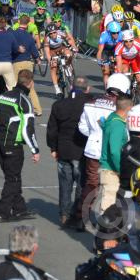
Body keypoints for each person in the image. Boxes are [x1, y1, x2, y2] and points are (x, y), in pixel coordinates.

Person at [77, 73, 131, 222]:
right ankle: (107, 218)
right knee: (110, 188)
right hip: (111, 154)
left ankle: (81, 217)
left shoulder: (91, 102)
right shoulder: (120, 108)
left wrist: (95, 135)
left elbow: (82, 126)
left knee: (91, 185)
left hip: (93, 149)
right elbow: (125, 134)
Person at [0, 70, 40, 223]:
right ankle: (2, 212)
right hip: (12, 144)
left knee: (13, 176)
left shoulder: (1, 96)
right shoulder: (24, 100)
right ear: (30, 83)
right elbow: (28, 129)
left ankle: (19, 209)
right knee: (12, 179)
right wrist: (35, 149)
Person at [47, 77, 90, 230]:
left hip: (63, 150)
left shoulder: (59, 104)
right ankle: (78, 217)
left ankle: (64, 215)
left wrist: (53, 148)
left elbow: (52, 129)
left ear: (72, 87)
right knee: (81, 185)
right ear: (87, 89)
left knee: (65, 184)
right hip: (82, 151)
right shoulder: (88, 106)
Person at [97, 95, 133, 214]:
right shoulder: (118, 125)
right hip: (112, 170)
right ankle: (105, 226)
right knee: (109, 203)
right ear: (128, 108)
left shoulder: (112, 117)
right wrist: (121, 169)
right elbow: (114, 151)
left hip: (107, 168)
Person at [11, 15, 43, 115]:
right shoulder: (29, 36)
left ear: (19, 21)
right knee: (30, 87)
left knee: (14, 85)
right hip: (28, 63)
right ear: (28, 23)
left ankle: (13, 107)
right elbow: (34, 50)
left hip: (17, 62)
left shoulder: (13, 34)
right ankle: (37, 109)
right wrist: (38, 59)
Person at [44, 20, 79, 98]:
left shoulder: (61, 33)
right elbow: (47, 51)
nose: (53, 34)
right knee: (53, 66)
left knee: (69, 54)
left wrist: (74, 47)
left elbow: (69, 40)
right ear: (48, 34)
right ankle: (57, 89)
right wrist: (50, 60)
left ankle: (67, 66)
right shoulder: (46, 39)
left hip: (61, 47)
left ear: (57, 31)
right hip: (52, 50)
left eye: (54, 32)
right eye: (51, 33)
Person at [114, 29, 140, 97]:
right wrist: (119, 74)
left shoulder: (138, 44)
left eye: (130, 41)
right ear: (123, 41)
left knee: (139, 79)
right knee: (124, 71)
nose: (128, 43)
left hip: (135, 59)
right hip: (124, 60)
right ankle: (125, 89)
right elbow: (119, 63)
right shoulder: (119, 46)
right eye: (126, 41)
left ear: (133, 39)